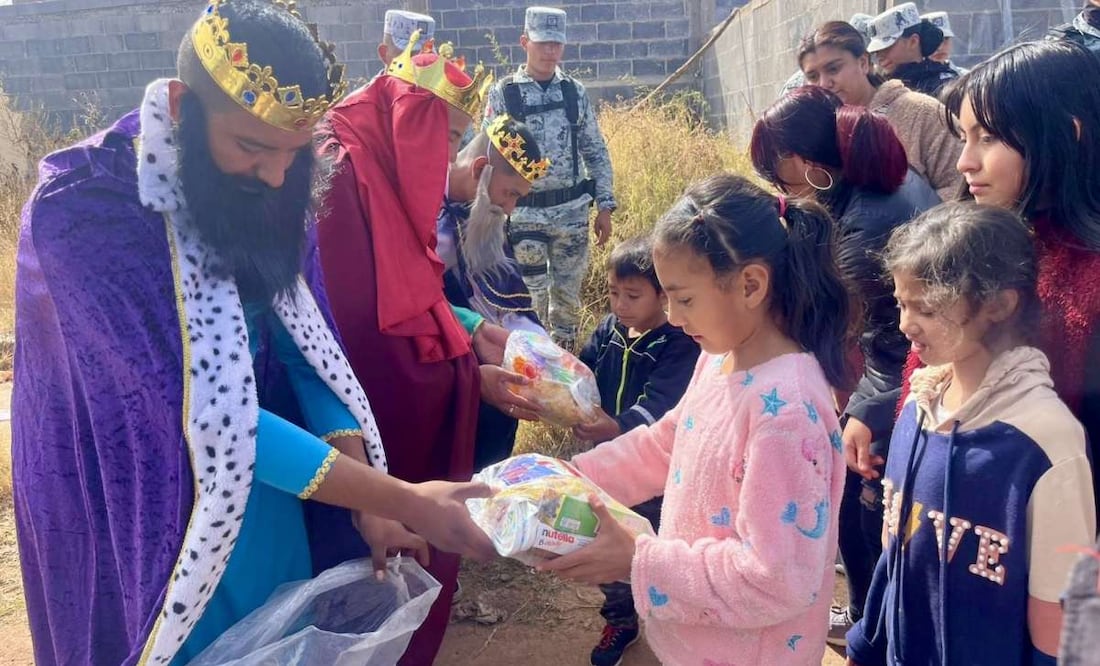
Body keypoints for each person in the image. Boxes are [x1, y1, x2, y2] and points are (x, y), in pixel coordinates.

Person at [11, 2, 494, 665]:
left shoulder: (274, 180)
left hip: (265, 492)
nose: (274, 176)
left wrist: (368, 501)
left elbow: (307, 353)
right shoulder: (85, 209)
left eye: (293, 153)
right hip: (145, 509)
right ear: (181, 107)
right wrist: (405, 498)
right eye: (251, 147)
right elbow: (197, 411)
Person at [539, 173, 858, 666]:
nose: (673, 316)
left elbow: (777, 580)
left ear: (750, 285)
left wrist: (638, 560)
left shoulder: (787, 413)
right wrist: (571, 477)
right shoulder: (719, 358)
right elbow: (667, 443)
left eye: (684, 299)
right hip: (695, 641)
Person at [847, 40, 1100, 526]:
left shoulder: (1087, 281)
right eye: (964, 138)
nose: (965, 162)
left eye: (987, 138)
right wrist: (878, 410)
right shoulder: (985, 245)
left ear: (1068, 136)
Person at [846, 202, 1097, 666]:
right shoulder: (916, 410)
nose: (904, 324)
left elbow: (1061, 620)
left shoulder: (1047, 445)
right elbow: (893, 556)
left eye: (926, 308)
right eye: (901, 303)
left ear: (999, 304)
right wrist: (866, 643)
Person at [314, 32, 496, 665]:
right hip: (358, 432)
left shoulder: (381, 165)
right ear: (412, 123)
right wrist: (466, 374)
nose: (450, 160)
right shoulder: (343, 171)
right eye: (447, 138)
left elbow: (415, 286)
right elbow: (357, 339)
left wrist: (469, 336)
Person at [751, 85, 937, 646]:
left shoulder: (866, 225)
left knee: (862, 507)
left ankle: (867, 626)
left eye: (777, 170)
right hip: (903, 374)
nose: (777, 184)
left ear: (804, 161)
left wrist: (860, 411)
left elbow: (873, 335)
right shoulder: (879, 183)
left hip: (897, 381)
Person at [573, 235, 699, 666]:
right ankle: (621, 620)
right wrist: (563, 398)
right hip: (609, 465)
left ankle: (672, 623)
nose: (620, 305)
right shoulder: (609, 329)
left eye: (632, 295)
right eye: (613, 293)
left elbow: (662, 403)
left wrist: (614, 426)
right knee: (608, 542)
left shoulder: (679, 342)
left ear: (663, 296)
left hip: (656, 472)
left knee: (657, 545)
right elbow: (582, 371)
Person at [481, 6, 617, 351]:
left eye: (556, 44)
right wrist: (488, 212)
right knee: (531, 299)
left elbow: (595, 149)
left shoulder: (574, 92)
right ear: (524, 42)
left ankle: (565, 364)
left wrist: (605, 205)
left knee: (567, 302)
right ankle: (534, 362)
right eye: (543, 43)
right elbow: (487, 154)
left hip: (571, 214)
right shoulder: (504, 93)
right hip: (523, 213)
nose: (550, 51)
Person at [438, 114, 550, 470]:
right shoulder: (418, 200)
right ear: (480, 169)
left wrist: (541, 352)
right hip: (437, 359)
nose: (510, 208)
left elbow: (507, 296)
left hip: (488, 357)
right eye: (510, 193)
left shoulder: (488, 215)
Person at [798, 20, 961, 202]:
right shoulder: (818, 132)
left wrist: (912, 216)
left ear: (863, 63)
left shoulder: (921, 113)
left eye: (833, 69)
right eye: (813, 76)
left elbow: (960, 186)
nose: (824, 83)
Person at [866, 3, 957, 97]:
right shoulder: (877, 86)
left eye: (887, 47)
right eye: (877, 51)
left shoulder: (943, 86)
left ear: (913, 41)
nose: (879, 56)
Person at [922, 10, 968, 74]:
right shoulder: (913, 79)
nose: (940, 48)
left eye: (946, 39)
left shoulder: (965, 76)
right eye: (933, 41)